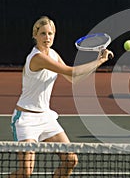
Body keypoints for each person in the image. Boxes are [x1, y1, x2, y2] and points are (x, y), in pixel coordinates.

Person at [9, 16, 114, 177]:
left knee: (70, 160)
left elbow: (73, 78)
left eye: (50, 34)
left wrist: (97, 63)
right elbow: (71, 71)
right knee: (25, 172)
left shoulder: (53, 54)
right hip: (26, 119)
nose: (47, 37)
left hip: (46, 118)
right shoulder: (37, 58)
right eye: (43, 34)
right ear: (35, 36)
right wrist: (99, 61)